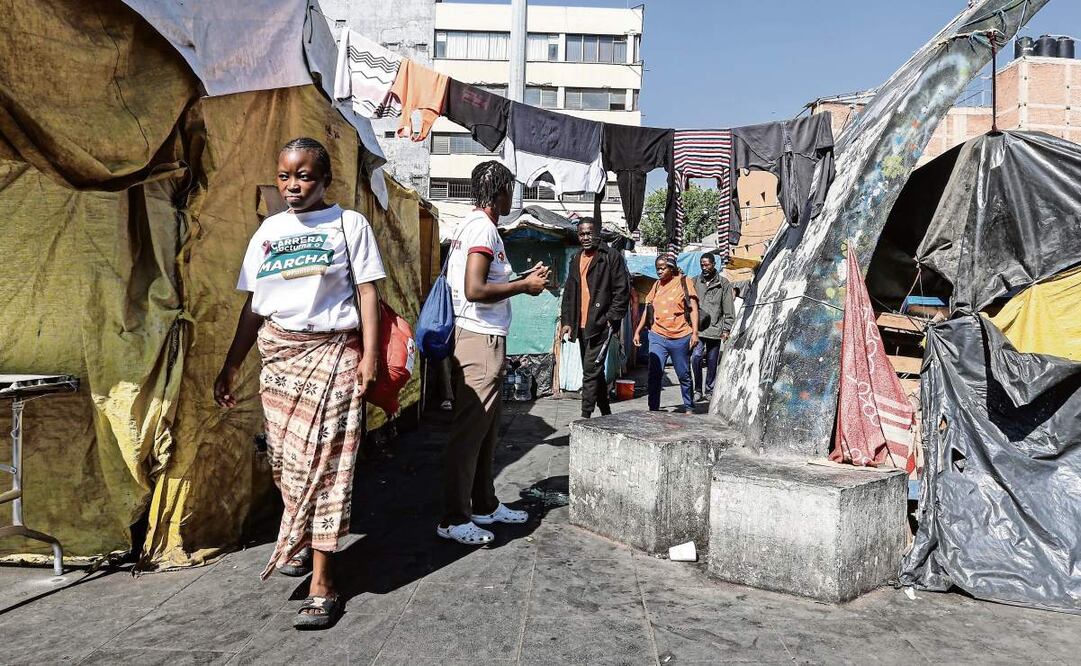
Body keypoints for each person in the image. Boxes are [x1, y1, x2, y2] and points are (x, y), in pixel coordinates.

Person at [214, 137, 384, 629]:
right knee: (289, 467)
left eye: (305, 176)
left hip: (332, 357)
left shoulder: (349, 225)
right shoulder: (268, 231)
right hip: (279, 363)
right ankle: (302, 540)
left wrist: (370, 358)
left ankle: (324, 584)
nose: (293, 185)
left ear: (325, 179)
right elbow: (254, 305)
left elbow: (369, 294)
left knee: (327, 470)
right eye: (286, 175)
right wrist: (231, 364)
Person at [438, 161, 550, 545]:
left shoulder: (472, 227)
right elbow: (474, 288)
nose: (511, 197)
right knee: (470, 435)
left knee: (486, 432)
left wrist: (522, 280)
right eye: (510, 189)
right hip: (478, 340)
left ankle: (484, 505)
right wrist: (525, 286)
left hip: (483, 338)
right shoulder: (483, 228)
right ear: (500, 190)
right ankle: (454, 518)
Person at [559, 218, 630, 419]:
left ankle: (585, 416)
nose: (585, 237)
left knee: (590, 370)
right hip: (581, 325)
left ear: (597, 233)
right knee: (595, 370)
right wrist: (566, 321)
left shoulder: (610, 256)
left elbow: (622, 290)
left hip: (601, 324)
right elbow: (569, 292)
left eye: (589, 233)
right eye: (582, 234)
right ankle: (606, 411)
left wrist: (611, 318)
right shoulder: (576, 259)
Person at [633, 256, 699, 413]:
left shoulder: (684, 282)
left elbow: (693, 309)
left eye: (663, 268)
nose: (659, 271)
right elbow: (648, 309)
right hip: (657, 336)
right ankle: (653, 408)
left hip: (681, 336)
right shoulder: (656, 285)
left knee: (683, 374)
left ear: (672, 268)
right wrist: (637, 331)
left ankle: (689, 407)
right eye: (658, 268)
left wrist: (695, 333)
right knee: (654, 373)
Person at [691, 252, 735, 402]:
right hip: (698, 329)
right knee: (696, 357)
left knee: (712, 361)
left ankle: (709, 390)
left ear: (713, 264)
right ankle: (697, 390)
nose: (704, 267)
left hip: (715, 329)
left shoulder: (723, 284)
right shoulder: (695, 281)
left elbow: (728, 308)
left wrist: (727, 328)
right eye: (702, 265)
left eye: (707, 264)